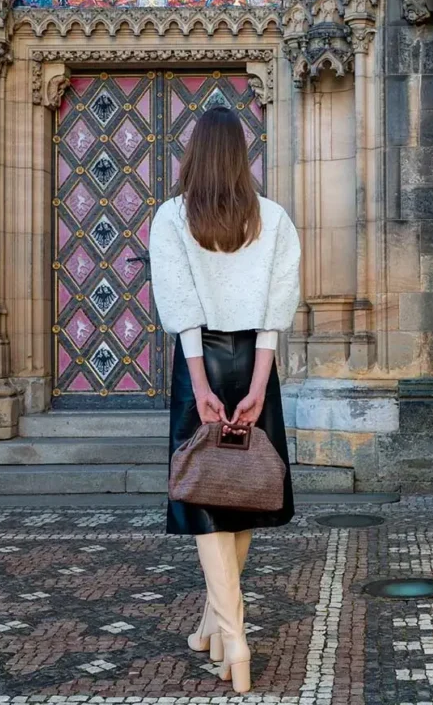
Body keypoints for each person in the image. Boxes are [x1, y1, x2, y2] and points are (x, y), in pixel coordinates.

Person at [149, 105, 301, 694]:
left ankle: (231, 635)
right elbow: (276, 306)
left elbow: (179, 302)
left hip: (200, 359)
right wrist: (260, 382)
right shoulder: (274, 218)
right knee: (240, 485)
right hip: (253, 358)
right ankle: (216, 625)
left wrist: (201, 383)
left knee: (208, 486)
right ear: (243, 157)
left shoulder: (171, 217)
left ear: (194, 154)